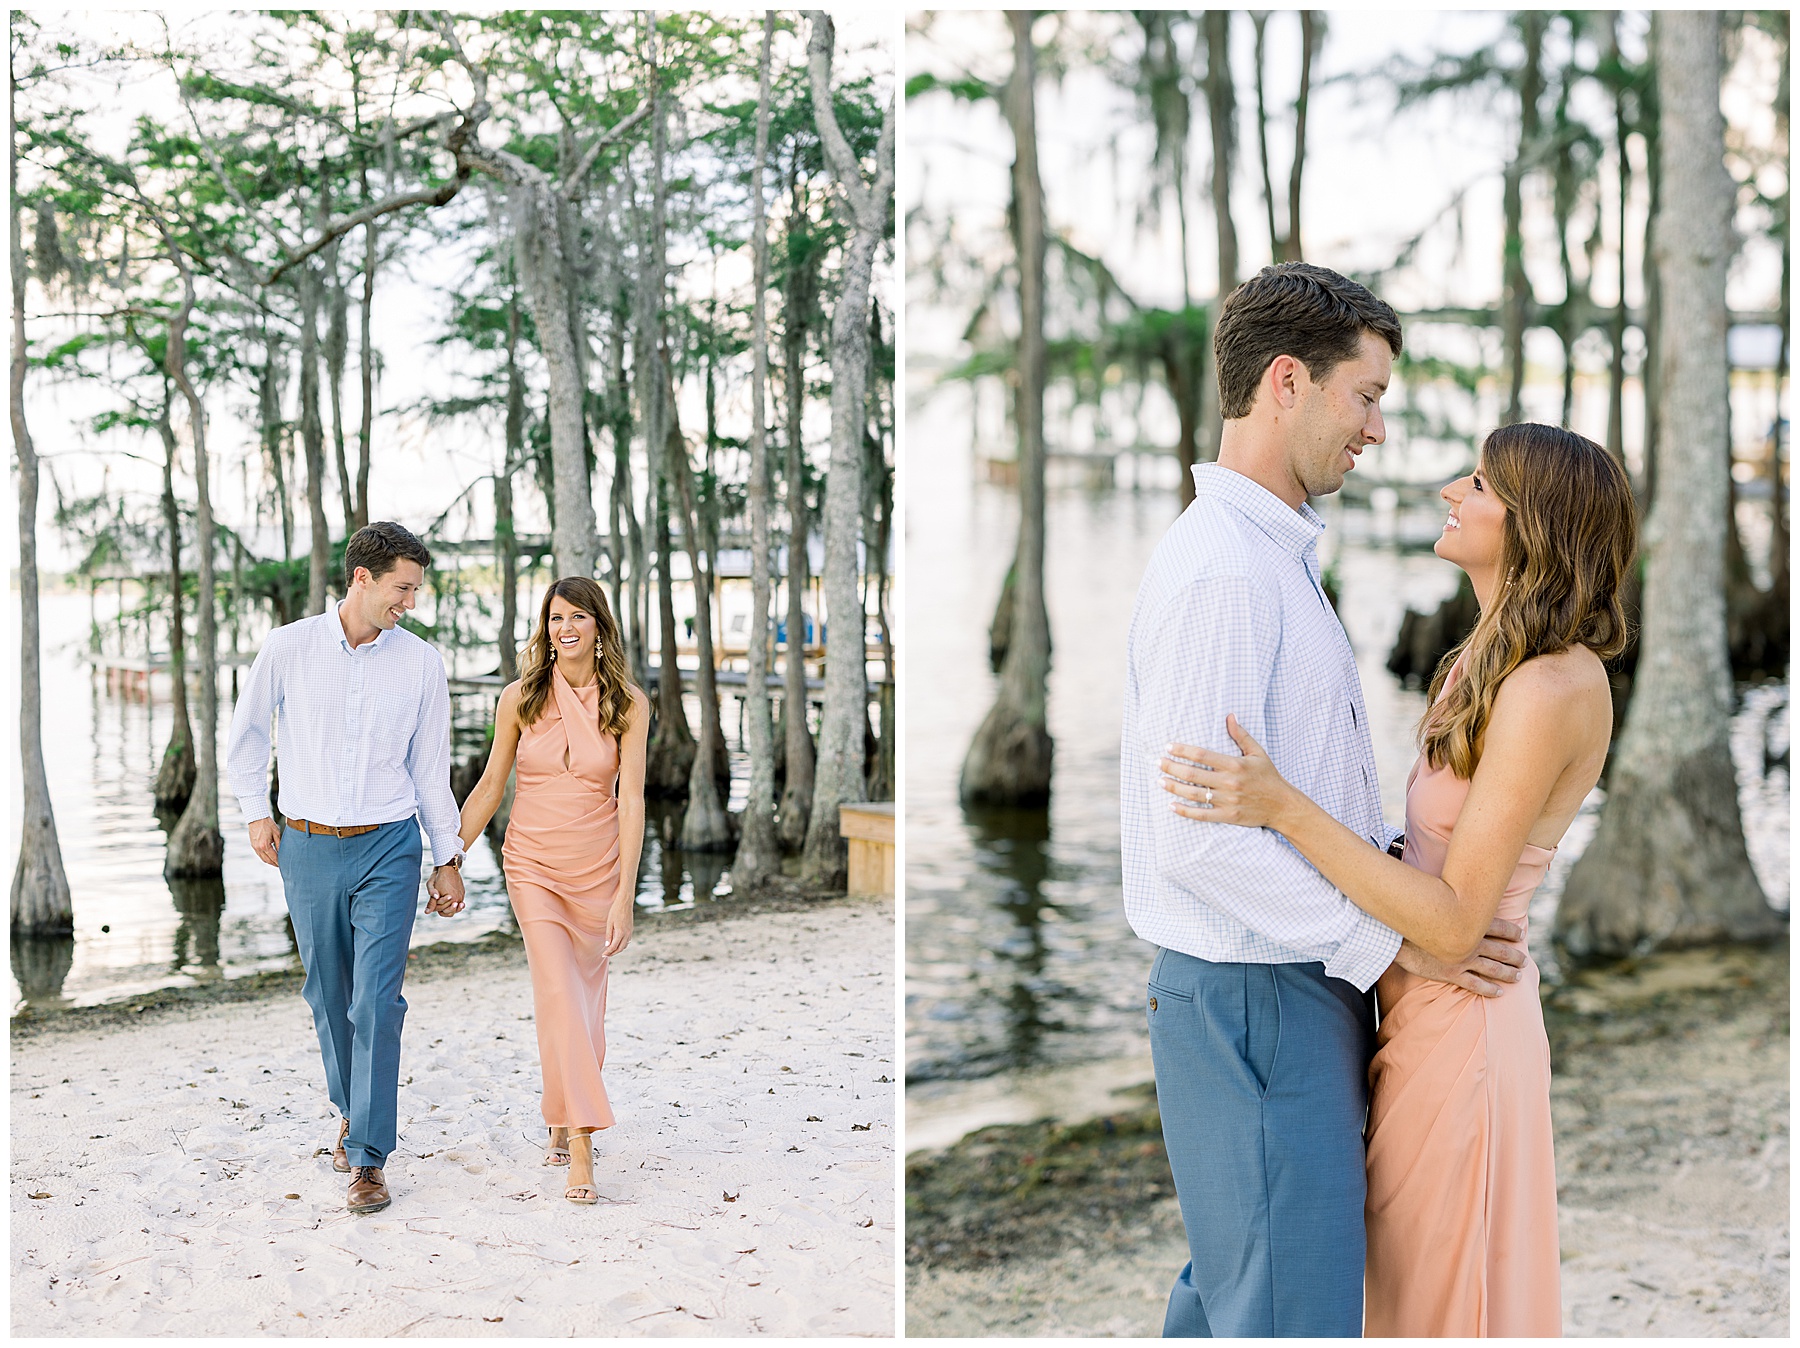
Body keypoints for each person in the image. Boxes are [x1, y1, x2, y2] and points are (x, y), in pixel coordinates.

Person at [1119, 262, 1530, 1338]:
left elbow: (1285, 796)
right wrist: (1395, 948)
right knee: (1283, 1313)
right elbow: (1195, 842)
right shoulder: (1225, 573)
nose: (1377, 430)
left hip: (1286, 987)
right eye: (1367, 396)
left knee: (1241, 1300)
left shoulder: (1271, 556)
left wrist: (1400, 879)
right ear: (1288, 382)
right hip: (1259, 994)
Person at [1161, 422, 1635, 1335]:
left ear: (1536, 524)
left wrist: (1283, 807)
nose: (1452, 492)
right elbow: (1425, 860)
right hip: (1414, 1015)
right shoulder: (1482, 664)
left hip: (1467, 1024)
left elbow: (1455, 925)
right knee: (1395, 1294)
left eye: (1481, 485)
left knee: (1433, 1305)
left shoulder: (1549, 689)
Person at [226, 521, 466, 1216]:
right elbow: (246, 738)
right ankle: (351, 1112)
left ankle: (367, 1157)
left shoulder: (421, 663)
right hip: (305, 845)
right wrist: (255, 812)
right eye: (402, 589)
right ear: (362, 578)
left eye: (415, 591)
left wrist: (446, 856)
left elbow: (430, 769)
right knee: (329, 996)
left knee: (377, 1003)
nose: (410, 603)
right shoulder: (289, 647)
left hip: (389, 845)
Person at [453, 576, 648, 1205]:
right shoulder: (519, 697)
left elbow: (632, 801)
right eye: (556, 617)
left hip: (597, 869)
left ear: (599, 626)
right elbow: (490, 786)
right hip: (531, 864)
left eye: (577, 617)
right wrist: (449, 855)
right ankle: (584, 1142)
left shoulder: (629, 705)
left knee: (582, 1004)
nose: (565, 628)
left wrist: (625, 897)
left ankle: (561, 1115)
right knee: (561, 990)